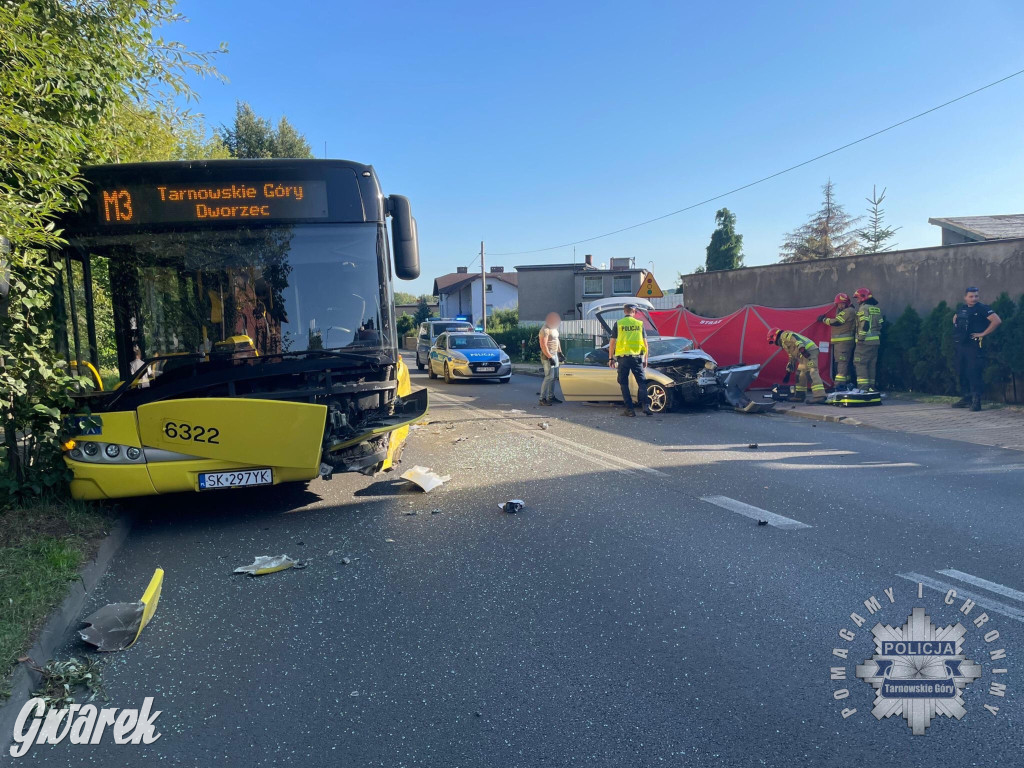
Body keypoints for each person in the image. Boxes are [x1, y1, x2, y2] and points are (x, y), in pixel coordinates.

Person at [951, 286, 1001, 411]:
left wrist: (983, 333)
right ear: (965, 297)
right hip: (961, 345)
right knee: (961, 371)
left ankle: (976, 401)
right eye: (971, 296)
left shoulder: (982, 308)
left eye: (976, 296)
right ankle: (966, 398)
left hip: (974, 345)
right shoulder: (962, 308)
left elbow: (997, 320)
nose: (974, 298)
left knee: (973, 372)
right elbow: (955, 317)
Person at [608, 303, 650, 416]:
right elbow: (646, 344)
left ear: (624, 311)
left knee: (623, 383)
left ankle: (630, 410)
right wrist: (646, 358)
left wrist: (611, 358)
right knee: (641, 383)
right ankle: (646, 407)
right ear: (634, 312)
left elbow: (612, 343)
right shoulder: (639, 324)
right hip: (637, 358)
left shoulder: (619, 324)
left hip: (623, 358)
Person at [767, 328, 827, 404]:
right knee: (799, 374)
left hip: (809, 351)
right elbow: (791, 355)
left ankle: (820, 396)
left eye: (772, 341)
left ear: (774, 336)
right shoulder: (784, 343)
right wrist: (789, 367)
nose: (774, 344)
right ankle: (799, 396)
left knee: (811, 372)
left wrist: (802, 349)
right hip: (802, 355)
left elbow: (796, 340)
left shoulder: (784, 335)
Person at [819, 293, 857, 391]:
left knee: (841, 363)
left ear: (847, 303)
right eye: (838, 304)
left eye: (841, 303)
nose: (839, 306)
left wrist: (824, 320)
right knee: (841, 363)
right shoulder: (845, 311)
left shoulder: (849, 311)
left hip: (844, 343)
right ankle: (846, 383)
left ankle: (839, 385)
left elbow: (837, 322)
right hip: (840, 343)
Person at [852, 287, 882, 391]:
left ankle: (863, 388)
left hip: (864, 342)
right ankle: (871, 387)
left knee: (860, 363)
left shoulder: (863, 309)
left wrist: (860, 338)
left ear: (863, 297)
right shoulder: (876, 309)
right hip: (875, 342)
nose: (857, 300)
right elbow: (880, 325)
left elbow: (864, 324)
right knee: (871, 364)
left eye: (858, 298)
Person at [538, 312, 563, 406]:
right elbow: (543, 345)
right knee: (549, 377)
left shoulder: (554, 328)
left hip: (555, 354)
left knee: (554, 377)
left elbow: (557, 340)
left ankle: (551, 396)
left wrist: (560, 352)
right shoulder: (544, 330)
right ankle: (542, 399)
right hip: (547, 355)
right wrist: (549, 357)